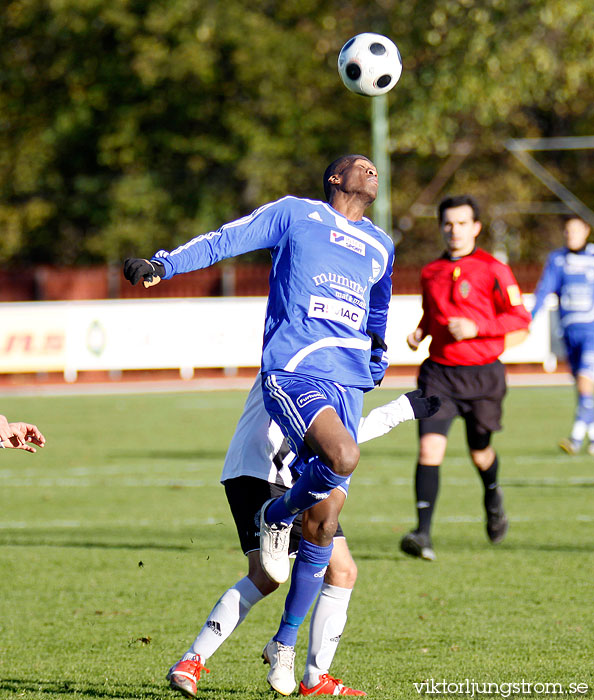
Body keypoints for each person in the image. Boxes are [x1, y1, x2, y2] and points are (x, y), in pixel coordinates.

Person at [124, 155, 437, 693]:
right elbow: (228, 238)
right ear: (334, 178)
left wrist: (379, 356)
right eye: (357, 165)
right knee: (336, 468)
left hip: (347, 387)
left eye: (374, 166)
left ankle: (296, 658)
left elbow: (378, 313)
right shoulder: (297, 215)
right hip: (296, 373)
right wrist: (163, 265)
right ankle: (274, 520)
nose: (370, 170)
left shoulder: (381, 247)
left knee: (334, 540)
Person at [165, 378, 439, 698]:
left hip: (286, 476)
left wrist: (398, 410)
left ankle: (313, 676)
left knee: (340, 571)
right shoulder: (305, 358)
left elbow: (338, 440)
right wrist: (396, 412)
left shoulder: (332, 366)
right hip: (265, 472)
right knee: (267, 575)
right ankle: (194, 660)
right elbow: (327, 438)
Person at [400, 194, 531, 561]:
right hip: (438, 374)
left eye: (461, 223)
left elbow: (520, 318)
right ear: (441, 226)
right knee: (429, 449)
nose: (454, 230)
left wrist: (477, 326)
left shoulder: (494, 269)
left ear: (476, 227)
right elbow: (432, 314)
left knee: (480, 452)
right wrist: (420, 332)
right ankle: (422, 534)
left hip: (483, 377)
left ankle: (493, 495)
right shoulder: (431, 271)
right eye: (448, 223)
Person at [531, 215, 594, 455]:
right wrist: (528, 319)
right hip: (569, 331)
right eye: (567, 231)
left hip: (592, 329)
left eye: (576, 230)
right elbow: (544, 290)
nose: (571, 235)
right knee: (582, 384)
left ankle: (576, 437)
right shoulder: (557, 259)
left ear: (586, 231)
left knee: (586, 380)